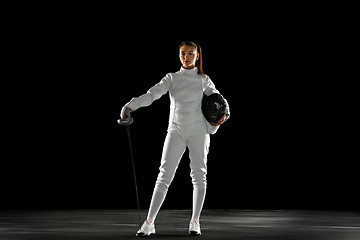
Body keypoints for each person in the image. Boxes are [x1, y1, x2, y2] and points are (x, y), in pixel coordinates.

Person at [120, 41, 230, 236]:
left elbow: (219, 100)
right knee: (164, 176)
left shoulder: (204, 79)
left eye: (190, 53)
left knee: (199, 176)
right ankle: (149, 222)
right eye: (183, 53)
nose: (186, 57)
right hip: (176, 131)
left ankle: (195, 221)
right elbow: (151, 95)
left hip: (199, 132)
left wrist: (223, 115)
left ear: (197, 56)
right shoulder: (172, 78)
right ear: (179, 55)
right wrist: (130, 106)